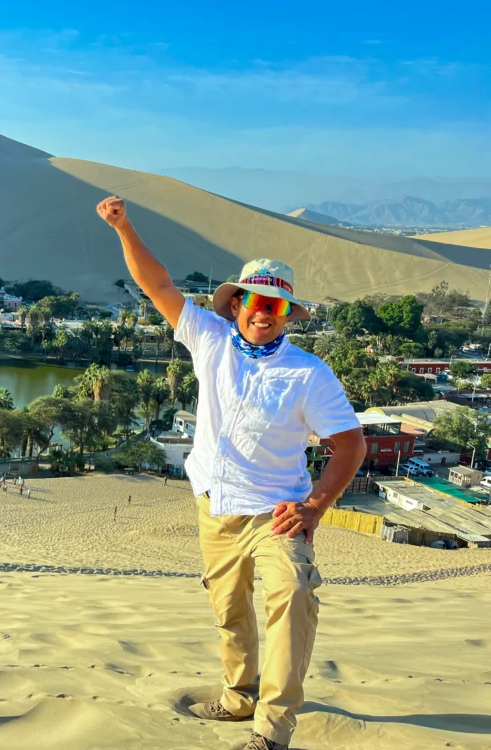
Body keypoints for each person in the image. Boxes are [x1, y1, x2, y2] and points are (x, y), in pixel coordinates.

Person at [99, 195, 365, 750]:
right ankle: (238, 698)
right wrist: (126, 229)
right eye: (256, 300)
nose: (264, 311)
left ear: (287, 314)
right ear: (237, 302)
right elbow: (159, 287)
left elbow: (350, 444)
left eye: (276, 305)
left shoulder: (308, 374)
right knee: (229, 612)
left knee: (293, 597)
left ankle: (272, 732)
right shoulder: (209, 338)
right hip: (214, 507)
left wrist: (316, 505)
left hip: (278, 513)